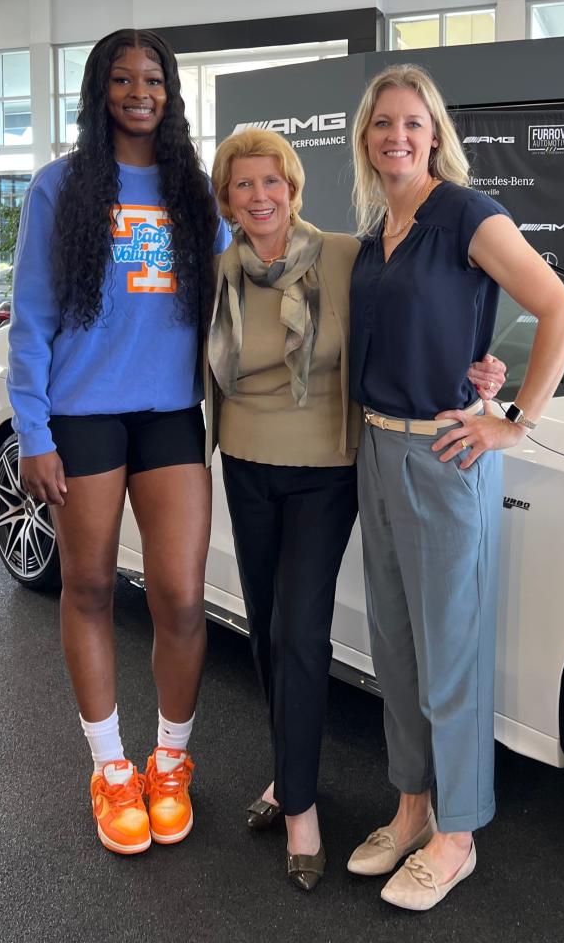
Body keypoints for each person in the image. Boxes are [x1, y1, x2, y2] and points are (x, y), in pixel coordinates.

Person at [205, 128, 505, 891]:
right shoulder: (219, 274)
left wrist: (486, 376)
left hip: (327, 469)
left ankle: (303, 808)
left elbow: (422, 313)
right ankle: (287, 773)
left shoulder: (347, 255)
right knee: (267, 627)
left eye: (273, 182)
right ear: (225, 199)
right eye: (243, 186)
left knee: (303, 628)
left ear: (295, 188)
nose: (260, 197)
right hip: (245, 465)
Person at [347, 64, 564, 912]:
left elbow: (560, 309)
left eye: (412, 123)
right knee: (397, 650)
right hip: (376, 451)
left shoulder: (466, 214)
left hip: (445, 460)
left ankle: (459, 830)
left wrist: (514, 416)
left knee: (451, 656)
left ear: (435, 133)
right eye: (382, 124)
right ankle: (412, 805)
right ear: (365, 138)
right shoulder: (381, 228)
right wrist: (475, 364)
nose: (396, 136)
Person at [8, 28, 228, 857]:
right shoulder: (60, 187)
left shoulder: (193, 192)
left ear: (171, 95)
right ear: (100, 90)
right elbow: (30, 320)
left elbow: (251, 284)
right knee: (92, 588)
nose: (141, 92)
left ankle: (170, 763)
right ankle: (110, 769)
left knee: (178, 596)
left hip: (171, 412)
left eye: (156, 80)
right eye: (124, 79)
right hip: (84, 414)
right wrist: (35, 431)